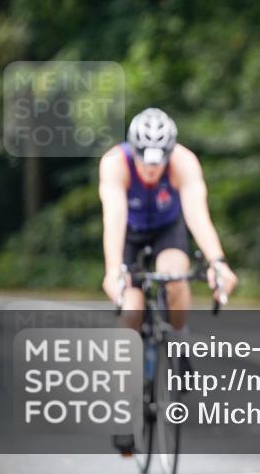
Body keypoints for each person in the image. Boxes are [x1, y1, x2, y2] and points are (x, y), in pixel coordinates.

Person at [99, 108, 238, 454]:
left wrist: (217, 262)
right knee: (130, 313)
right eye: (145, 160)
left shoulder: (184, 163)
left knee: (175, 277)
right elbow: (114, 218)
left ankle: (179, 339)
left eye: (159, 161)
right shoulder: (115, 163)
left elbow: (197, 215)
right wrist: (114, 269)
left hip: (166, 230)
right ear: (133, 150)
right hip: (129, 235)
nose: (151, 168)